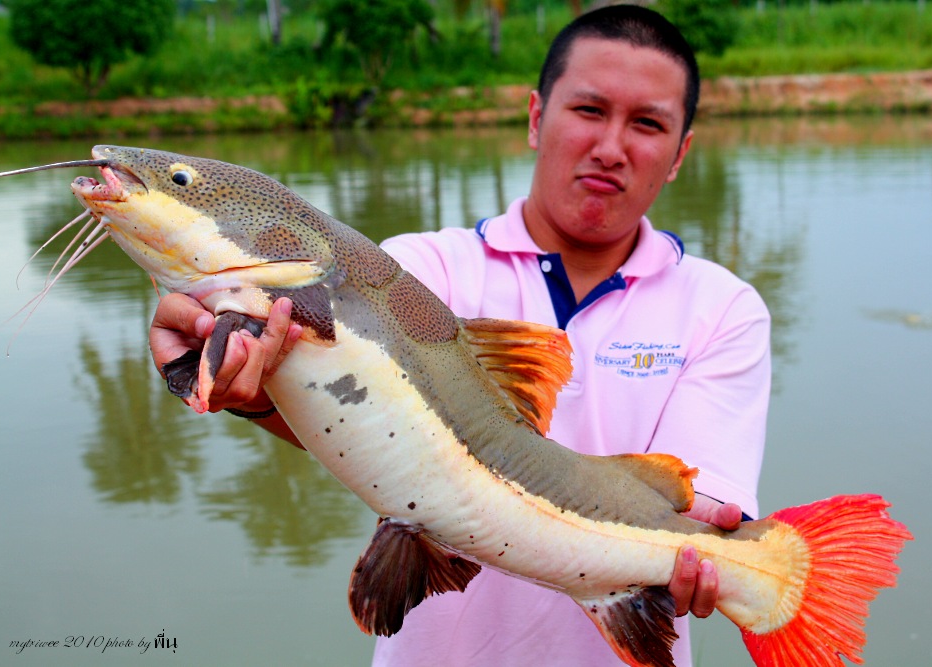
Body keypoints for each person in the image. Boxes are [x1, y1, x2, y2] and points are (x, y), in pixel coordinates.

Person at [148, 5, 770, 666]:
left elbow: (705, 507)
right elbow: (349, 417)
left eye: (647, 123)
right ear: (536, 117)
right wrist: (247, 385)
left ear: (681, 153)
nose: (611, 147)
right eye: (589, 110)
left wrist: (717, 556)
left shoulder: (723, 308)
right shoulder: (419, 271)